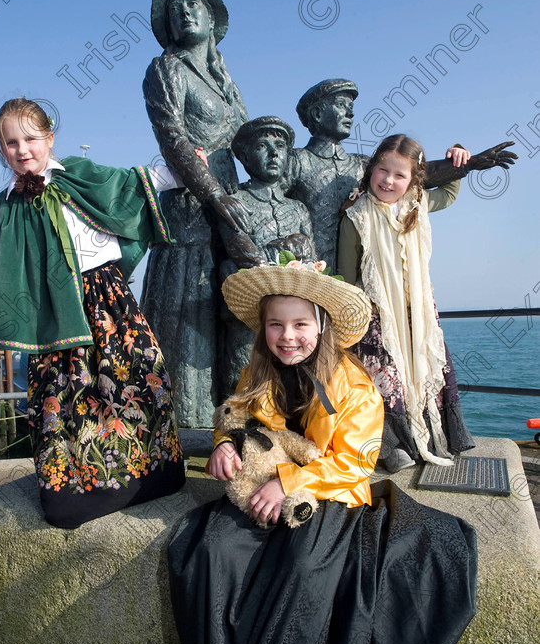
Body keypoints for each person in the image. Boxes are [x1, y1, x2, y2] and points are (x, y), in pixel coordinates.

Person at [168, 261, 477, 644]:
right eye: (276, 326)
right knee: (208, 554)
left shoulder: (355, 386)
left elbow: (354, 463)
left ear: (322, 324)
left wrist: (287, 482)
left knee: (304, 568)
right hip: (265, 488)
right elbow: (233, 413)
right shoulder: (258, 369)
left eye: (300, 325)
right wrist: (223, 443)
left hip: (327, 494)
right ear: (264, 330)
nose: (288, 337)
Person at [0, 97, 187, 528]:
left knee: (140, 374)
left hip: (109, 301)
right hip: (54, 316)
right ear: (1, 150)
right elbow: (0, 270)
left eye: (31, 138)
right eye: (11, 143)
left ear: (50, 138)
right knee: (68, 395)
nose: (22, 149)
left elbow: (138, 183)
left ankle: (154, 475)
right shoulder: (6, 206)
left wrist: (187, 164)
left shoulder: (81, 176)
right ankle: (77, 495)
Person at [141, 0, 249, 428]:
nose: (183, 12)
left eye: (193, 5)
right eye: (174, 9)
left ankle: (237, 422)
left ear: (212, 19)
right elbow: (174, 140)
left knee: (234, 318)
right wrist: (214, 198)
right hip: (189, 214)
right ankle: (185, 427)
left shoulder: (225, 80)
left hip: (232, 213)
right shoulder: (166, 68)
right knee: (189, 319)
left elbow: (253, 146)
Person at [338, 134, 475, 472]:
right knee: (386, 379)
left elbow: (449, 193)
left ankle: (434, 435)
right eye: (382, 170)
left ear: (414, 179)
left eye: (400, 175)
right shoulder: (357, 215)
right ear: (371, 170)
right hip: (376, 314)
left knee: (427, 368)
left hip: (419, 313)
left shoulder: (417, 203)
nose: (388, 180)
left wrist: (456, 149)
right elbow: (344, 274)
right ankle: (392, 447)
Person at [287, 78, 518, 273]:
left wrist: (467, 163)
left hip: (364, 284)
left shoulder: (362, 165)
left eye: (351, 107)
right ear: (317, 113)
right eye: (340, 104)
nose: (350, 112)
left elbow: (419, 174)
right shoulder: (296, 162)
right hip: (311, 280)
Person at [218, 115, 316, 396]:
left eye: (280, 147)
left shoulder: (298, 209)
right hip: (249, 316)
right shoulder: (237, 202)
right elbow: (241, 255)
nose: (274, 153)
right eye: (263, 146)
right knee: (245, 386)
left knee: (292, 388)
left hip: (292, 322)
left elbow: (313, 261)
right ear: (246, 157)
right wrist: (291, 245)